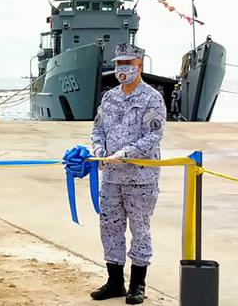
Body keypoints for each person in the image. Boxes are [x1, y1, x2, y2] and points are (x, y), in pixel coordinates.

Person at [90, 43, 166, 304]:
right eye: (118, 65)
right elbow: (97, 129)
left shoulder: (152, 98)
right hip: (111, 177)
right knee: (110, 227)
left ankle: (138, 284)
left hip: (141, 178)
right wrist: (99, 150)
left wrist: (125, 153)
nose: (122, 70)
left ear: (139, 66)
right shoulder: (109, 97)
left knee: (140, 228)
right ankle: (114, 282)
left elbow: (153, 136)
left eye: (128, 65)